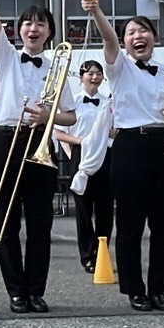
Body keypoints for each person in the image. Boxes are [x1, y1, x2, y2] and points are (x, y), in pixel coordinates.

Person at [0, 0, 78, 314]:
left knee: (40, 221)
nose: (33, 29)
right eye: (27, 24)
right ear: (18, 30)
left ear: (49, 32)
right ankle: (15, 290)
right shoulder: (5, 56)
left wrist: (50, 114)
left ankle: (36, 289)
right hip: (6, 138)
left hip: (40, 142)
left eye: (41, 24)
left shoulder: (59, 66)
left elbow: (70, 115)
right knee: (5, 217)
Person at [80, 0, 164, 312]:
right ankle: (134, 289)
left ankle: (159, 289)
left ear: (155, 36)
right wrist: (97, 10)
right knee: (130, 224)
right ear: (123, 42)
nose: (139, 36)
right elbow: (108, 38)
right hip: (130, 147)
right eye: (131, 33)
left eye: (144, 31)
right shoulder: (119, 66)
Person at [57, 60, 112, 272]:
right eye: (90, 73)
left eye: (99, 73)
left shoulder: (108, 102)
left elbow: (115, 129)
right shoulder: (73, 103)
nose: (95, 77)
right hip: (81, 156)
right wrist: (78, 144)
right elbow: (58, 131)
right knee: (83, 209)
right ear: (81, 77)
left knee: (106, 208)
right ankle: (87, 255)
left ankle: (103, 253)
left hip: (106, 155)